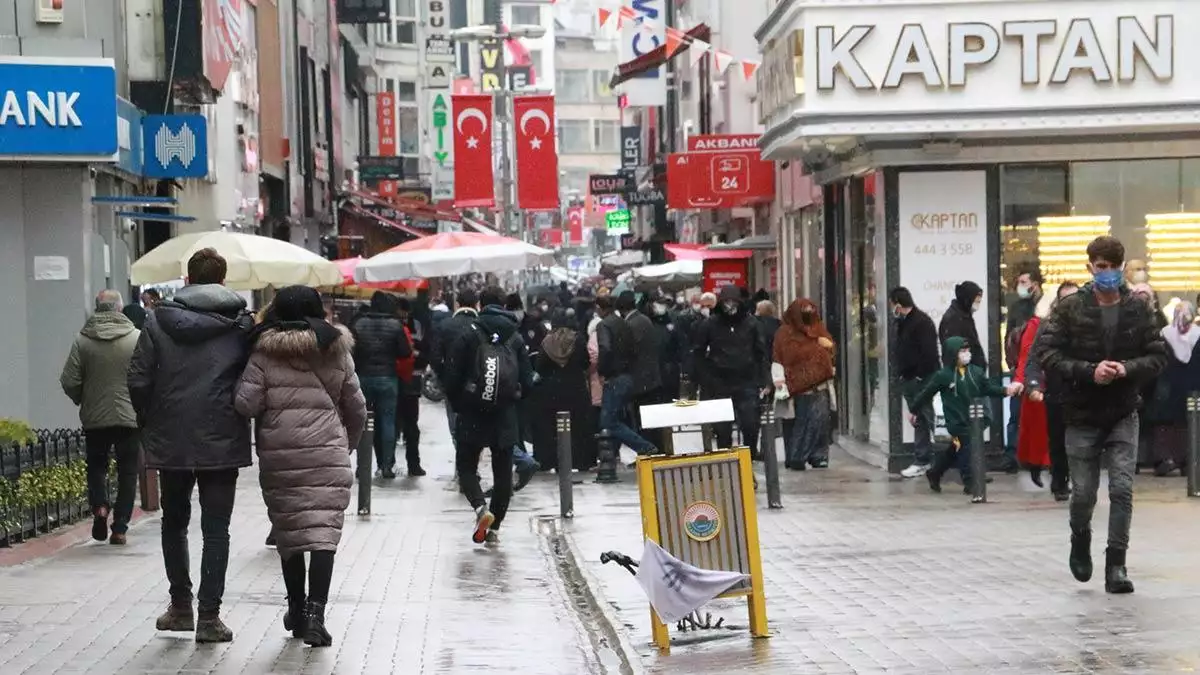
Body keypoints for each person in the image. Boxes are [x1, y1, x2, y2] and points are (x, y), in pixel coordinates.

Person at [127, 248, 254, 642]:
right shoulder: (241, 324)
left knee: (174, 522)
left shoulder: (158, 321)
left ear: (187, 279)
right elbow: (253, 377)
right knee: (217, 529)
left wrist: (151, 419)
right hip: (222, 434)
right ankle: (210, 618)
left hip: (172, 435)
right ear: (222, 279)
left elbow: (138, 378)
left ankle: (180, 607)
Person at [234, 286, 367, 647]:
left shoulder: (263, 353)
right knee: (324, 536)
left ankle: (295, 608)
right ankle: (315, 615)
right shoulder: (337, 351)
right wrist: (344, 446)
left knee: (290, 535)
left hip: (281, 458)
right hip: (329, 456)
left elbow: (246, 404)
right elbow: (356, 408)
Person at [1039, 235, 1167, 594]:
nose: (1108, 273)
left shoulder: (1139, 309)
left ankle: (1117, 563)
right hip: (1081, 412)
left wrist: (1127, 369)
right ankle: (1080, 538)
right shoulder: (1069, 309)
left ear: (1122, 267)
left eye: (1113, 266)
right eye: (1101, 267)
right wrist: (1088, 370)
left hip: (1123, 410)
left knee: (1123, 488)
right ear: (1090, 268)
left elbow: (1158, 355)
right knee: (1083, 493)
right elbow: (1048, 354)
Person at [442, 286, 534, 545]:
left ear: (480, 304)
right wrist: (514, 398)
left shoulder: (468, 334)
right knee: (503, 472)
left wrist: (461, 403)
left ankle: (481, 508)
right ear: (504, 305)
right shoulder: (514, 337)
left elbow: (452, 376)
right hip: (504, 414)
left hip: (473, 412)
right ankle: (495, 528)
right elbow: (527, 380)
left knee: (467, 466)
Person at [60, 290, 141, 545]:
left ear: (96, 309)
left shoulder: (82, 340)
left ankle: (99, 507)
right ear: (119, 309)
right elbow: (147, 376)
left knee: (97, 466)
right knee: (128, 471)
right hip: (129, 417)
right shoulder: (136, 338)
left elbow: (69, 379)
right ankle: (120, 527)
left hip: (95, 418)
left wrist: (82, 399)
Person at [908, 337, 1022, 499]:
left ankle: (935, 472)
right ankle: (970, 481)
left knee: (957, 449)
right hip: (956, 420)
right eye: (962, 351)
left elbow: (987, 388)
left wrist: (1005, 391)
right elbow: (926, 394)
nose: (966, 354)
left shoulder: (975, 372)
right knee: (967, 447)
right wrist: (914, 410)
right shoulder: (943, 376)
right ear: (953, 354)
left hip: (973, 419)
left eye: (967, 350)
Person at [692, 286, 770, 454]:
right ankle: (725, 454)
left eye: (733, 302)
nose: (730, 306)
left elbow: (761, 353)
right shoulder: (710, 325)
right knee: (722, 428)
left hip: (746, 380)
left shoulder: (751, 324)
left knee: (750, 422)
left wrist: (764, 379)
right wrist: (706, 378)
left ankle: (749, 453)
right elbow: (698, 352)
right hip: (719, 382)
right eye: (726, 302)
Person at [1022, 282, 1079, 501]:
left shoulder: (1091, 324)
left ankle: (1079, 480)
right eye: (1066, 300)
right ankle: (1060, 481)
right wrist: (1034, 384)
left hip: (1083, 389)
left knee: (1082, 441)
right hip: (1057, 390)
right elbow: (1034, 359)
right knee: (1058, 440)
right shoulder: (1048, 327)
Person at [349, 292, 411, 479]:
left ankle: (362, 466)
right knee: (388, 421)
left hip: (364, 378)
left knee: (363, 422)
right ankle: (387, 465)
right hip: (387, 378)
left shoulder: (359, 323)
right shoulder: (395, 325)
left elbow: (351, 351)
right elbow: (405, 352)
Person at [528, 311, 596, 470]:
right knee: (578, 427)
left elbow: (539, 366)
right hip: (576, 389)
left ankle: (554, 461)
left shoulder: (547, 342)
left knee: (553, 428)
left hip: (552, 392)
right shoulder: (577, 340)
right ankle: (581, 461)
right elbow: (586, 363)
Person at [772, 298, 836, 469]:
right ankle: (796, 456)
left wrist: (826, 348)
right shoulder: (784, 334)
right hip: (796, 387)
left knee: (820, 423)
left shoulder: (818, 329)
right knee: (797, 424)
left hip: (820, 385)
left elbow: (830, 350)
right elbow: (779, 357)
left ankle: (818, 456)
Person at [596, 295, 658, 455]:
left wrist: (602, 371)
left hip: (614, 378)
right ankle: (609, 458)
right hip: (628, 377)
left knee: (608, 421)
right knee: (619, 418)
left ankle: (644, 446)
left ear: (599, 309)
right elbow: (633, 350)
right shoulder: (624, 323)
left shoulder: (603, 325)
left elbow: (605, 349)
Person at [890, 287, 941, 478]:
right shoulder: (901, 322)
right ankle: (923, 459)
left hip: (922, 379)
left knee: (928, 417)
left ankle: (937, 458)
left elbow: (929, 353)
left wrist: (920, 377)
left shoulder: (921, 322)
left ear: (897, 303)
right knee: (919, 419)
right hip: (909, 378)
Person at [1152, 301, 1200, 476]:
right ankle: (1165, 459)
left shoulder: (1197, 335)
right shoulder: (1164, 334)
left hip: (1191, 385)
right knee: (1165, 422)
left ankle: (1188, 459)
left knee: (1190, 422)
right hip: (1168, 385)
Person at [1004, 270, 1044, 473]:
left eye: (1023, 282)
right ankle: (1013, 456)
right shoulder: (1017, 308)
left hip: (1038, 369)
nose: (1020, 285)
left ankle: (1037, 457)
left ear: (1035, 284)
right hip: (1019, 368)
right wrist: (1012, 365)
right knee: (1015, 414)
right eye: (1018, 281)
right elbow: (1010, 339)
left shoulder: (1043, 307)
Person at [1013, 290, 1055, 488]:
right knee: (1041, 434)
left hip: (1053, 387)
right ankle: (1039, 468)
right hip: (1039, 388)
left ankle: (1057, 476)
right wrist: (1023, 381)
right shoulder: (1036, 326)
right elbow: (1027, 358)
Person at [621, 292, 666, 447]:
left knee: (643, 419)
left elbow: (629, 351)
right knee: (652, 418)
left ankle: (649, 449)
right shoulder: (645, 320)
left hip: (641, 381)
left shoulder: (632, 324)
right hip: (652, 378)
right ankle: (656, 446)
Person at [394, 297, 427, 476]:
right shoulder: (393, 325)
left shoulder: (416, 326)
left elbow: (424, 351)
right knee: (400, 424)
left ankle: (411, 463)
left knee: (409, 425)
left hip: (409, 380)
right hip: (401, 380)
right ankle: (393, 463)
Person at [939, 281, 986, 369]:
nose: (978, 304)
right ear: (967, 299)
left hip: (972, 371)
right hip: (963, 373)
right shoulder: (953, 319)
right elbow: (953, 351)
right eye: (976, 301)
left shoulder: (966, 315)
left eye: (979, 302)